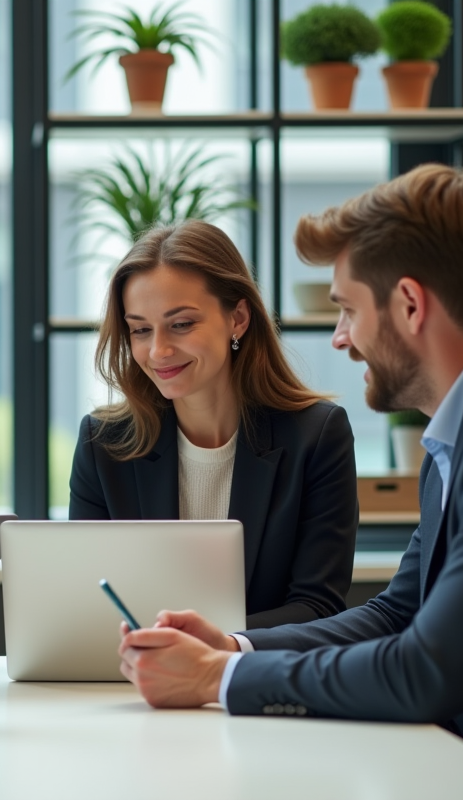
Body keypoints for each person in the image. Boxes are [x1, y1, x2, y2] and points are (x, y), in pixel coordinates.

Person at [116, 166, 463, 800]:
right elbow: (399, 612)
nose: (340, 339)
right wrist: (234, 645)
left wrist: (215, 678)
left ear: (411, 305)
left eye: (348, 310)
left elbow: (426, 672)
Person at [70, 219, 358, 629]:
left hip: (256, 683)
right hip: (134, 681)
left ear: (238, 318)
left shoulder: (317, 436)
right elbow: (84, 599)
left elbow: (318, 607)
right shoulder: (102, 444)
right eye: (140, 330)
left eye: (182, 324)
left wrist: (211, 646)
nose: (158, 350)